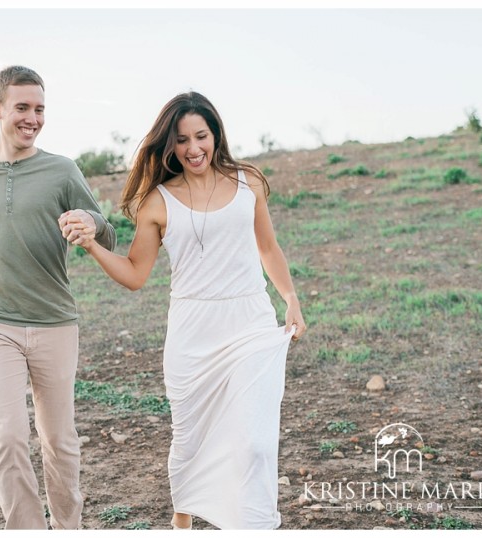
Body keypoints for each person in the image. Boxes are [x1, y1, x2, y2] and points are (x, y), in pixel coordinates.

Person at [59, 91, 306, 530]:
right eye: (182, 140)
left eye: (201, 136)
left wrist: (290, 297)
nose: (194, 149)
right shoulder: (158, 202)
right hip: (193, 333)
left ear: (216, 135)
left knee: (255, 442)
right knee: (190, 440)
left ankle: (252, 524)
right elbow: (136, 273)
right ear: (168, 145)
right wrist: (93, 246)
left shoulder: (248, 182)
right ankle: (183, 519)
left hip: (249, 322)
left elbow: (268, 248)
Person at [0, 65, 117, 530]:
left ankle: (68, 527)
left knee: (60, 441)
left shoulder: (62, 170)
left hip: (54, 321)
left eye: (39, 109)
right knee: (8, 436)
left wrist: (94, 225)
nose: (32, 118)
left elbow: (109, 235)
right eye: (22, 108)